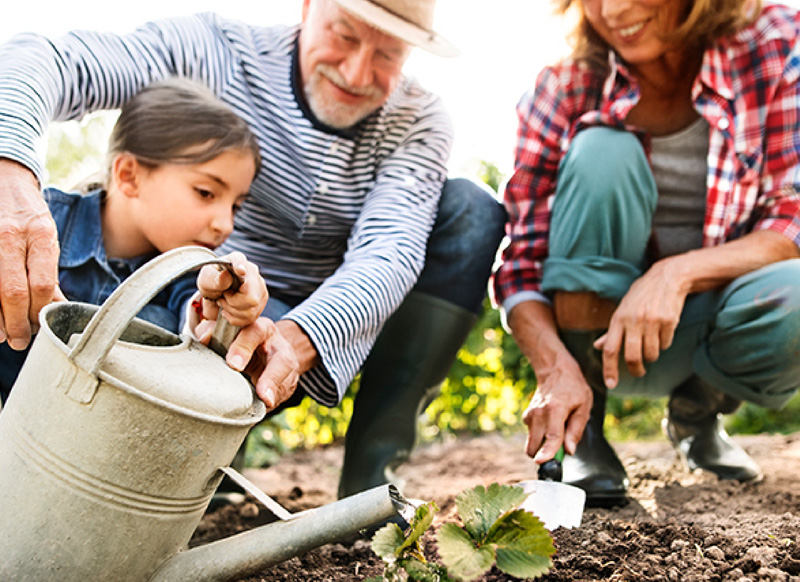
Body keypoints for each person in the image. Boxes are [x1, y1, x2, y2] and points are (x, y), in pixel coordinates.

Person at [0, 0, 507, 499]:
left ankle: (372, 479)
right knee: (146, 325)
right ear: (309, 8)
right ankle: (193, 455)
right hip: (203, 302)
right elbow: (46, 59)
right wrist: (10, 172)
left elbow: (388, 254)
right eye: (345, 35)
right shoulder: (214, 50)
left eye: (389, 54)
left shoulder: (418, 119)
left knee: (471, 209)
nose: (357, 71)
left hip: (303, 326)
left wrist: (294, 341)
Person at [493, 0, 800, 506]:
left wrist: (674, 275)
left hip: (710, 328)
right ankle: (584, 430)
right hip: (601, 338)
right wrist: (553, 370)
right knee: (601, 154)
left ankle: (698, 415)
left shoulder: (777, 42)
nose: (612, 9)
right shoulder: (563, 84)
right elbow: (520, 265)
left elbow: (792, 220)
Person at [0, 78, 299, 409]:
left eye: (235, 206)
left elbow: (194, 309)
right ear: (129, 175)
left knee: (160, 326)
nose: (225, 224)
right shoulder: (38, 225)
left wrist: (219, 303)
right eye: (205, 193)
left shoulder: (185, 273)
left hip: (93, 441)